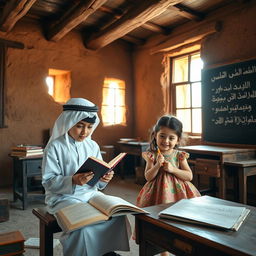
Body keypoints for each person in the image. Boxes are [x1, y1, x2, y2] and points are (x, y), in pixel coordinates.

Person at [42, 98, 131, 256]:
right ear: (69, 122)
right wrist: (72, 180)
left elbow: (97, 179)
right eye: (79, 126)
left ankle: (106, 251)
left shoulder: (92, 145)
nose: (85, 132)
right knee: (82, 227)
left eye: (90, 127)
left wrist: (104, 180)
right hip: (63, 197)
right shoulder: (54, 146)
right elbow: (48, 181)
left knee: (117, 215)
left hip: (91, 194)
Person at [136, 115, 201, 256]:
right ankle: (163, 250)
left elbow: (189, 176)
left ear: (178, 139)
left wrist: (173, 169)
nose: (166, 141)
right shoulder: (151, 155)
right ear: (155, 136)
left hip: (177, 194)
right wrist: (157, 165)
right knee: (159, 222)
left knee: (179, 219)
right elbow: (148, 177)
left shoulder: (179, 155)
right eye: (162, 136)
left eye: (171, 138)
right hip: (157, 193)